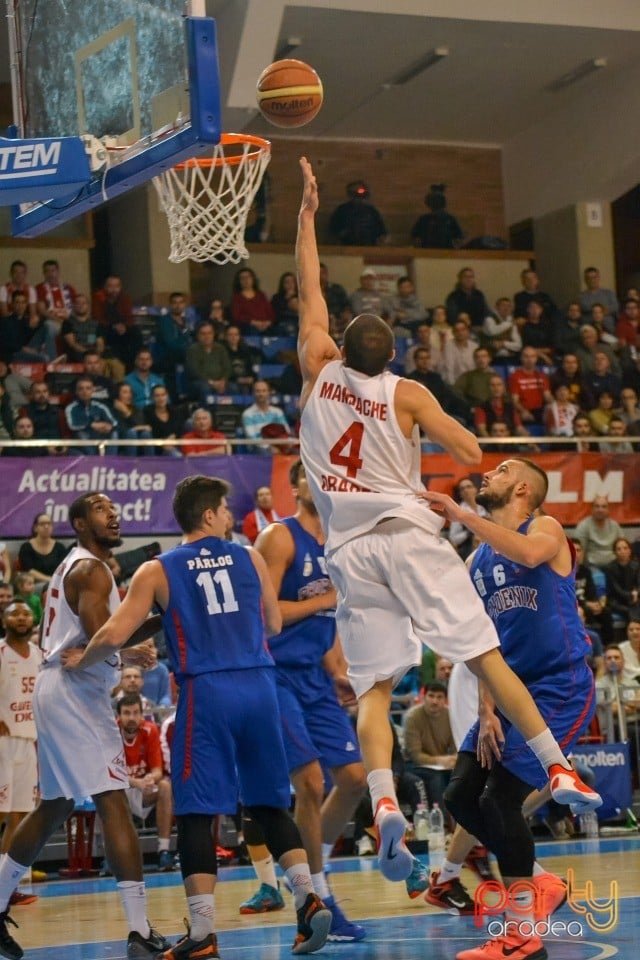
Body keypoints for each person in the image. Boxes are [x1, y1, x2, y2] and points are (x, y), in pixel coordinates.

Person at [294, 156, 599, 885]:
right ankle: (559, 771)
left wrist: (306, 216)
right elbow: (470, 449)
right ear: (393, 355)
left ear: (339, 348)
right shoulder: (408, 393)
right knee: (486, 656)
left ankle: (386, 799)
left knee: (372, 689)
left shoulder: (316, 364)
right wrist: (432, 427)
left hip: (349, 550)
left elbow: (309, 292)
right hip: (405, 534)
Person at [71, 476, 332, 960]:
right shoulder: (251, 556)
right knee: (270, 803)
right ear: (208, 515)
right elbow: (273, 624)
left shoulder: (158, 568)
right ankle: (306, 895)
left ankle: (202, 935)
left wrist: (78, 658)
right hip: (260, 685)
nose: (231, 517)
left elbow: (113, 634)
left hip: (208, 691)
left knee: (195, 812)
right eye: (226, 510)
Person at [422, 459, 597, 960]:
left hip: (560, 685)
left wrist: (457, 512)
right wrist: (488, 708)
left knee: (499, 801)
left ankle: (523, 935)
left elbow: (523, 551)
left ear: (522, 487)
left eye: (499, 470)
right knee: (460, 796)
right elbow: (484, 644)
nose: (486, 475)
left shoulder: (544, 528)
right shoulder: (478, 562)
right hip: (508, 692)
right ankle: (541, 881)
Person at [0, 493, 167, 960]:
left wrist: (123, 653)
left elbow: (94, 641)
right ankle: (139, 930)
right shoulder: (91, 570)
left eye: (114, 508)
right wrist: (163, 616)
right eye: (99, 509)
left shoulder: (79, 567)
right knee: (113, 800)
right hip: (73, 693)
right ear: (78, 524)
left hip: (60, 686)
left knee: (54, 805)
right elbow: (102, 638)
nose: (112, 514)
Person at [242, 459, 367, 941]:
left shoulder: (335, 542)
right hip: (274, 674)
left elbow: (329, 620)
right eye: (308, 476)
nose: (318, 482)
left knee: (354, 780)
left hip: (315, 676)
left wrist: (339, 669)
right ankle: (314, 898)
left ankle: (320, 866)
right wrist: (324, 600)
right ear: (295, 486)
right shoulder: (279, 537)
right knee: (310, 784)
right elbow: (264, 613)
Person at [0, 602, 42, 908]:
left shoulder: (39, 655)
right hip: (2, 743)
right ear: (4, 619)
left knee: (18, 815)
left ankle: (6, 886)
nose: (21, 618)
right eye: (15, 613)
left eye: (26, 613)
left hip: (28, 739)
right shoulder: (1, 652)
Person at [116, 694, 177, 871]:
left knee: (165, 786)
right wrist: (136, 782)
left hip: (143, 788)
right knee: (105, 794)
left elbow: (158, 770)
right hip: (120, 789)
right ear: (119, 716)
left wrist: (150, 779)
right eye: (127, 713)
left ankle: (164, 850)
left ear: (142, 715)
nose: (132, 718)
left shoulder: (150, 730)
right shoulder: (111, 732)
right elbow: (107, 774)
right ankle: (113, 856)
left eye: (136, 713)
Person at [403, 681, 457, 809]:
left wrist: (455, 759)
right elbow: (415, 755)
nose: (434, 701)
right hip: (413, 764)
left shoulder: (451, 715)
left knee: (460, 775)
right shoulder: (412, 717)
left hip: (441, 763)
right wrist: (440, 761)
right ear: (423, 697)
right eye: (431, 696)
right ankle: (441, 823)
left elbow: (456, 747)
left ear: (445, 700)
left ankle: (462, 823)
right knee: (436, 777)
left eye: (439, 697)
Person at [328, 180, 386, 247]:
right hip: (346, 247)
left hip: (369, 247)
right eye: (355, 195)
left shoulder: (372, 211)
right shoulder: (342, 211)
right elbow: (334, 231)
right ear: (350, 195)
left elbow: (382, 233)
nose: (359, 199)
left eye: (363, 196)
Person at [17, 514, 68, 588]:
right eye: (42, 524)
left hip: (56, 584)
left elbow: (64, 569)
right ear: (35, 528)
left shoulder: (60, 547)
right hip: (33, 585)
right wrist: (49, 580)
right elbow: (29, 571)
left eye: (49, 524)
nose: (46, 526)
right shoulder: (26, 547)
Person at [240, 380, 291, 453]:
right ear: (253, 393)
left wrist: (280, 446)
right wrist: (269, 447)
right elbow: (252, 438)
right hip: (257, 449)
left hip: (278, 446)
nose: (261, 394)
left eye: (264, 391)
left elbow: (286, 431)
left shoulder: (277, 412)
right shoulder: (247, 414)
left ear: (269, 393)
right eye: (258, 391)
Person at [410, 183, 463, 249]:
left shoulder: (449, 219)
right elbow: (414, 236)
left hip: (446, 253)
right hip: (427, 252)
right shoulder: (424, 219)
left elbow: (459, 237)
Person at [575, 496, 623, 568]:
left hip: (614, 567)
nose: (600, 510)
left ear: (608, 510)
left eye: (604, 507)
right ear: (592, 509)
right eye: (597, 506)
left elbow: (623, 546)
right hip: (591, 567)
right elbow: (578, 551)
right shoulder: (583, 526)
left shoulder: (615, 526)